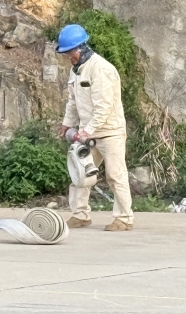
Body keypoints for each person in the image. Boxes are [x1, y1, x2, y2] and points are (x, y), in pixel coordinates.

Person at [57, 23, 134, 231]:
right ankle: (80, 215)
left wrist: (87, 131)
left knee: (115, 175)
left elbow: (104, 106)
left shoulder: (101, 69)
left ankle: (124, 218)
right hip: (87, 133)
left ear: (81, 48)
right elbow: (72, 101)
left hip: (110, 132)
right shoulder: (76, 71)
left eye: (70, 52)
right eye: (66, 53)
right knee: (80, 173)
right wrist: (67, 123)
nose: (68, 56)